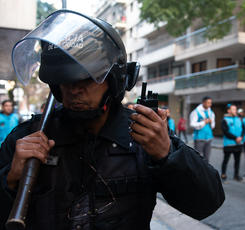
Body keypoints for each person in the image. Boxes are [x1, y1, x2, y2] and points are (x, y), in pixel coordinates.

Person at [0, 10, 224, 229]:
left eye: (86, 79)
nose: (74, 90)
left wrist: (168, 155)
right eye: (65, 80)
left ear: (114, 80)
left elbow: (207, 203)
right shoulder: (28, 138)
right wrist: (10, 181)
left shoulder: (144, 136)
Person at [221, 104, 243, 182]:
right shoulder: (225, 120)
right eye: (233, 109)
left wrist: (241, 137)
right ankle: (223, 174)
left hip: (238, 144)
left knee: (237, 160)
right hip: (229, 144)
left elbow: (243, 129)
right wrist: (235, 138)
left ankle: (236, 175)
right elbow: (225, 132)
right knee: (226, 160)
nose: (235, 111)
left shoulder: (239, 119)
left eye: (235, 109)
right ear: (228, 110)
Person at [189, 96, 215, 163]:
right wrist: (204, 122)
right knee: (197, 158)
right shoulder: (196, 112)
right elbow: (192, 124)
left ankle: (205, 173)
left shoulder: (211, 113)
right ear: (203, 103)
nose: (210, 105)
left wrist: (211, 122)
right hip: (199, 138)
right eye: (208, 103)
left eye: (210, 103)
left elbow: (213, 126)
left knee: (207, 159)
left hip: (209, 138)